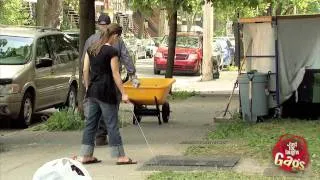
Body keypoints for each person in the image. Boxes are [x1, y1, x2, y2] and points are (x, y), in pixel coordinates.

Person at [74, 23, 137, 165]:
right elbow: (115, 74)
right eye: (118, 37)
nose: (117, 40)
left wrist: (88, 86)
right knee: (112, 124)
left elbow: (85, 70)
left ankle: (85, 155)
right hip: (106, 92)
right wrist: (124, 93)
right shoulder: (112, 52)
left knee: (91, 124)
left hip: (93, 91)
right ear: (114, 36)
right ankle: (120, 156)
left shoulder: (91, 49)